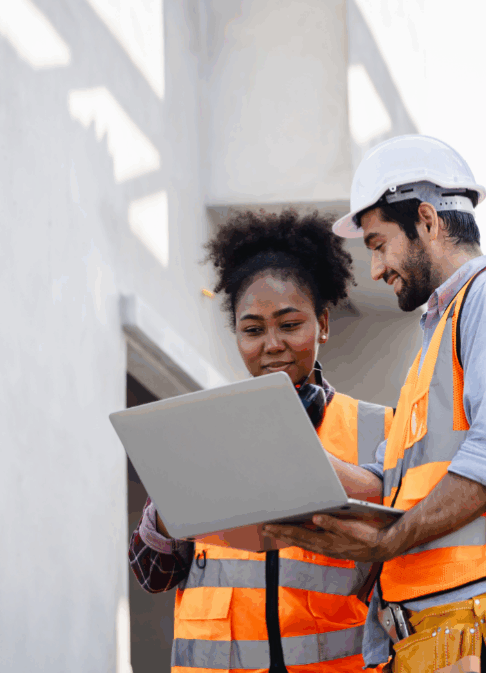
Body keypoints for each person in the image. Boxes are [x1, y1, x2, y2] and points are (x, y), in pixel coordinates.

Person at [263, 135, 486, 673]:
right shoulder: (440, 337)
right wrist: (296, 467)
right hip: (442, 639)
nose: (375, 268)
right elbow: (399, 486)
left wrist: (389, 541)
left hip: (482, 633)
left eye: (377, 243)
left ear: (427, 220)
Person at [128, 209, 394, 673]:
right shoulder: (201, 430)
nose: (271, 344)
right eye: (252, 330)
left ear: (323, 325)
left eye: (290, 325)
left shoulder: (379, 429)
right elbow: (151, 574)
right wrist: (175, 499)